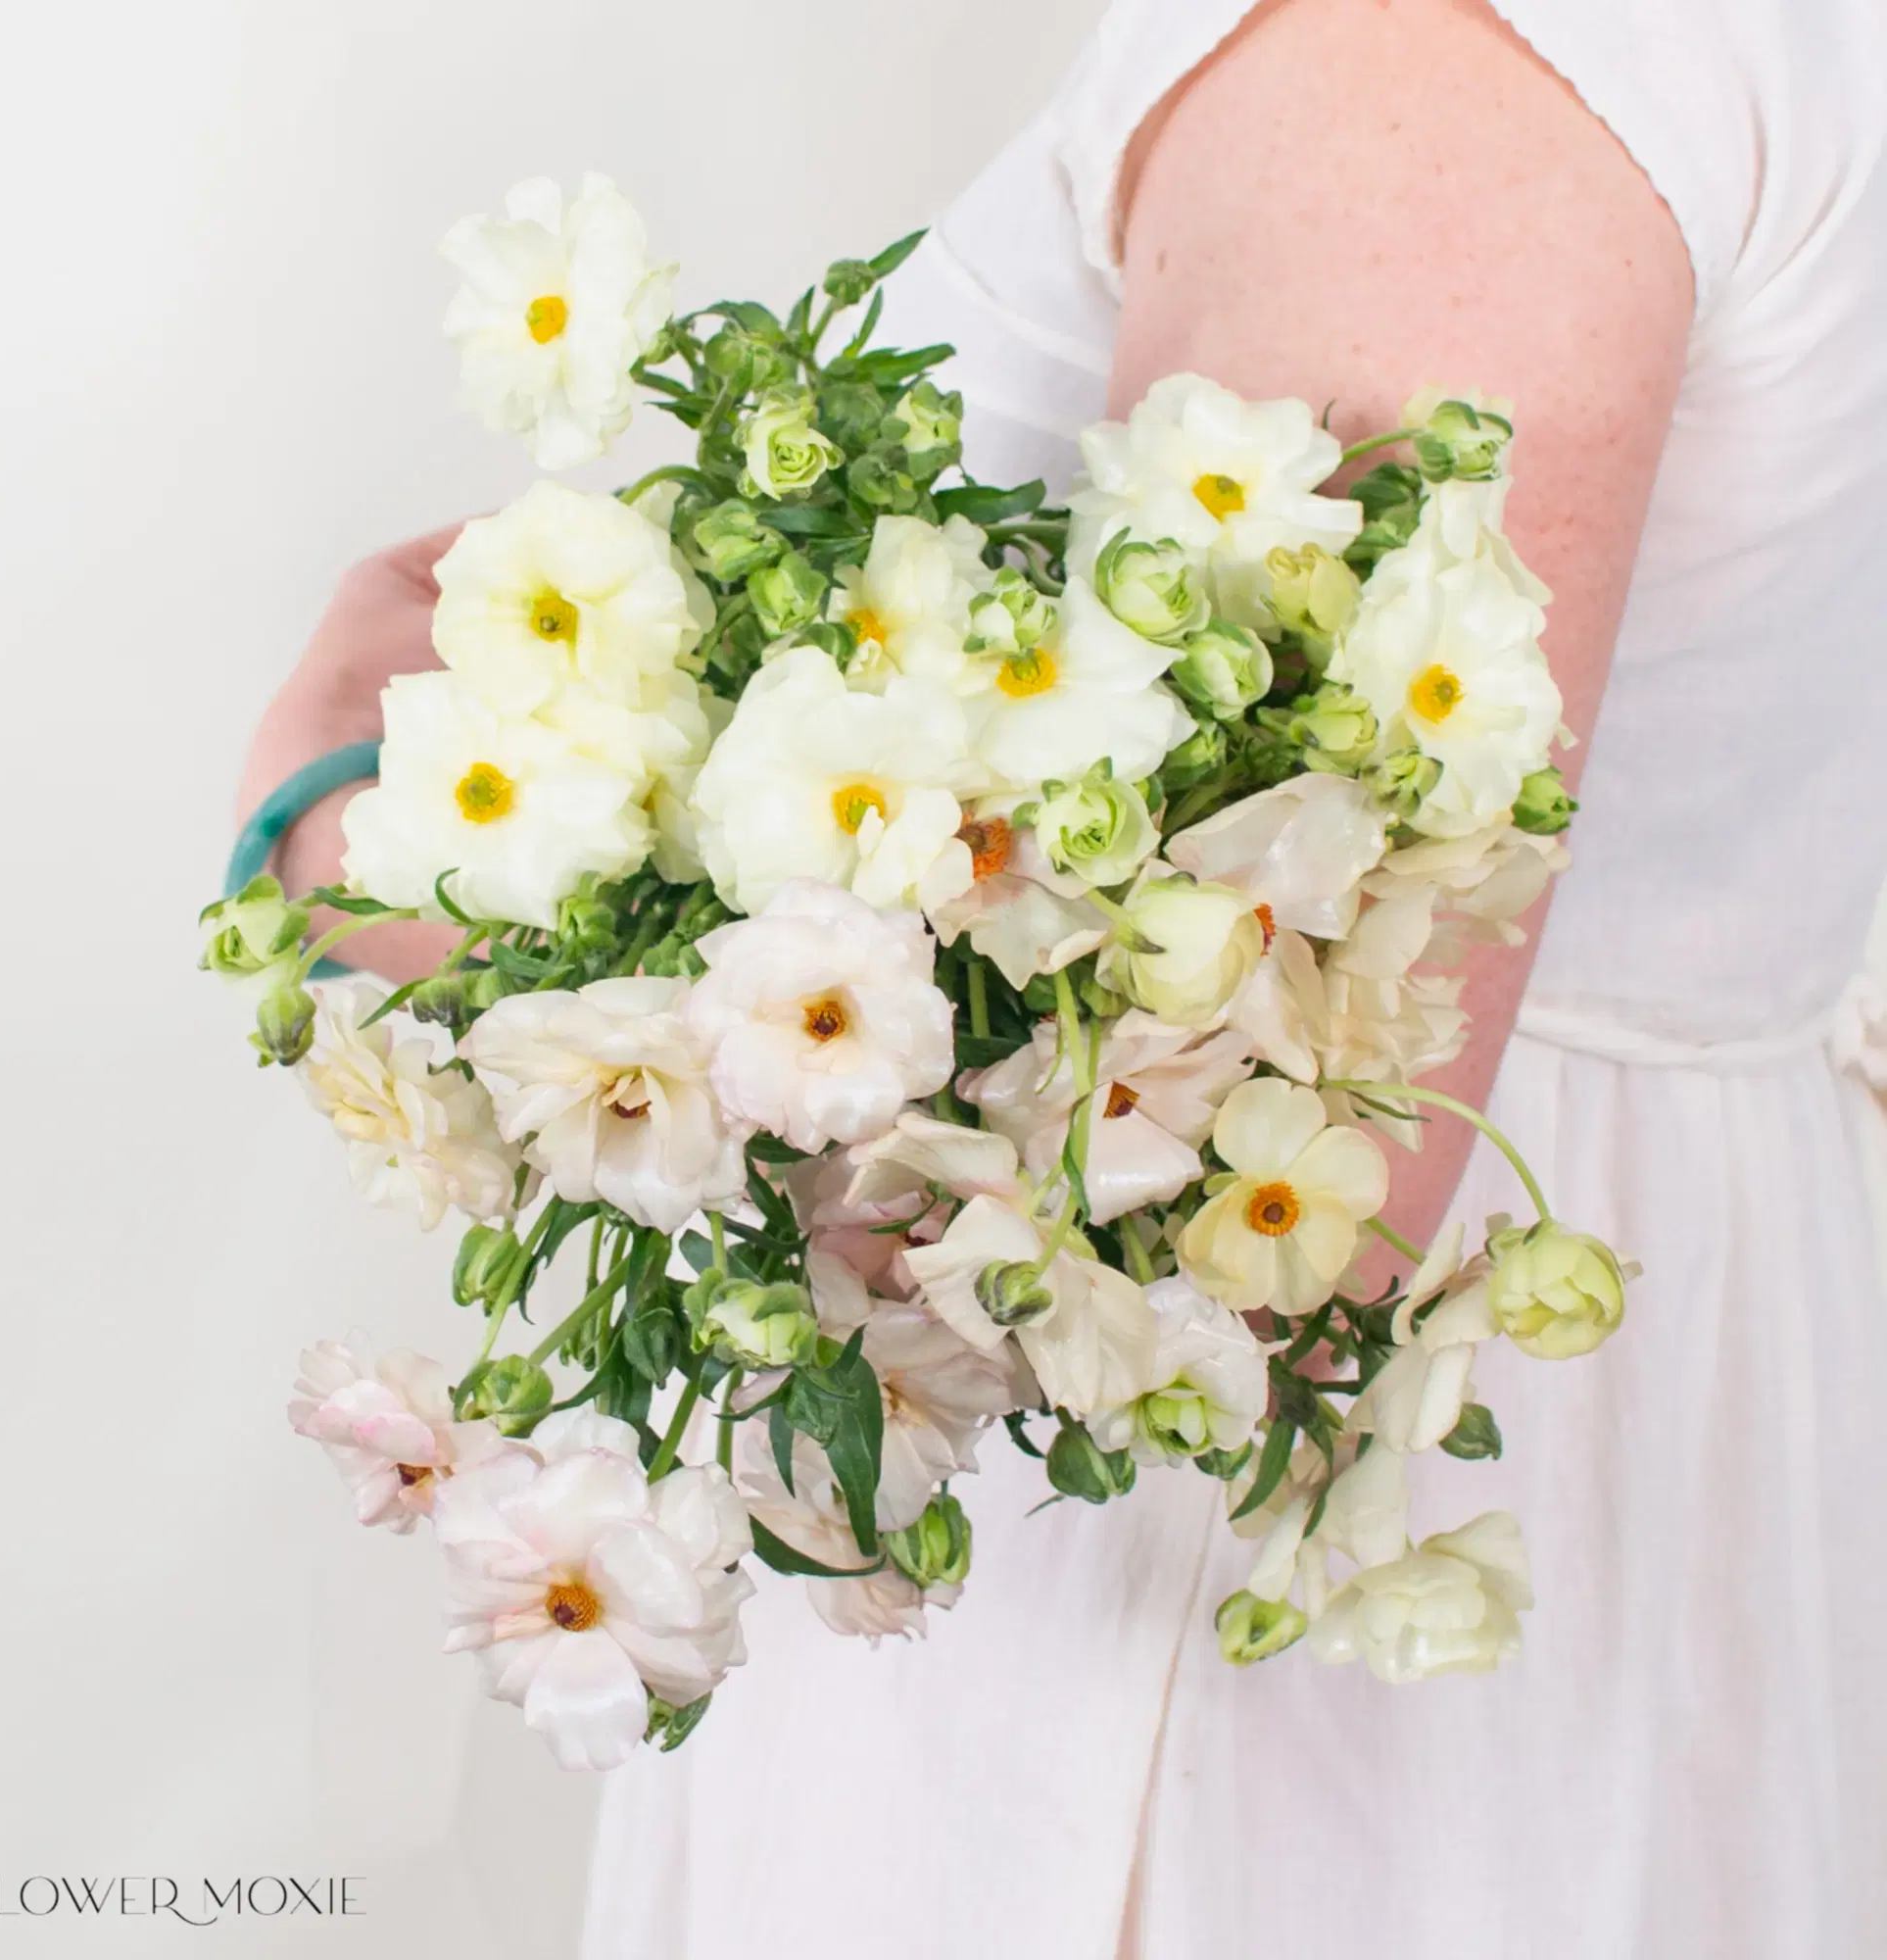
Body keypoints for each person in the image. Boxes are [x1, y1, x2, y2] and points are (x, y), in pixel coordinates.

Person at [240, 1, 1887, 1951]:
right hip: (1639, 1385)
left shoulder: (1430, 65)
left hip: (1212, 1608)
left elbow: (1219, 1181)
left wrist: (367, 850)